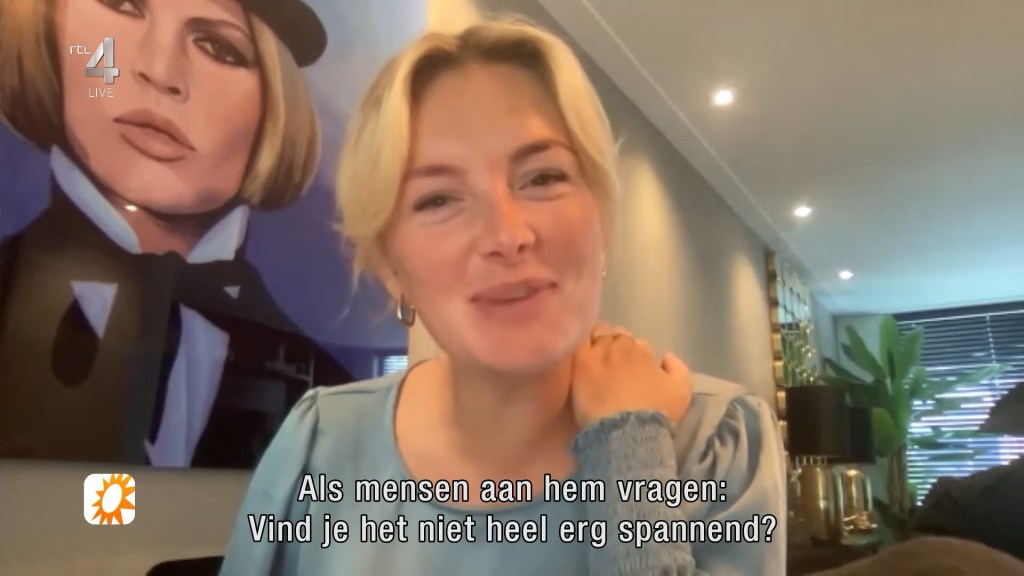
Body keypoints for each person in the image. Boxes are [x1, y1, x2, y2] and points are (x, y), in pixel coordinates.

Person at [219, 17, 787, 575]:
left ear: (602, 219)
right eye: (438, 199)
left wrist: (629, 454)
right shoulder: (318, 444)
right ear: (392, 268)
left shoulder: (717, 445)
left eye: (542, 178)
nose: (507, 235)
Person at [0, 0, 352, 468]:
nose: (160, 71)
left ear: (275, 103)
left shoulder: (332, 398)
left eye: (218, 47)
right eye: (123, 6)